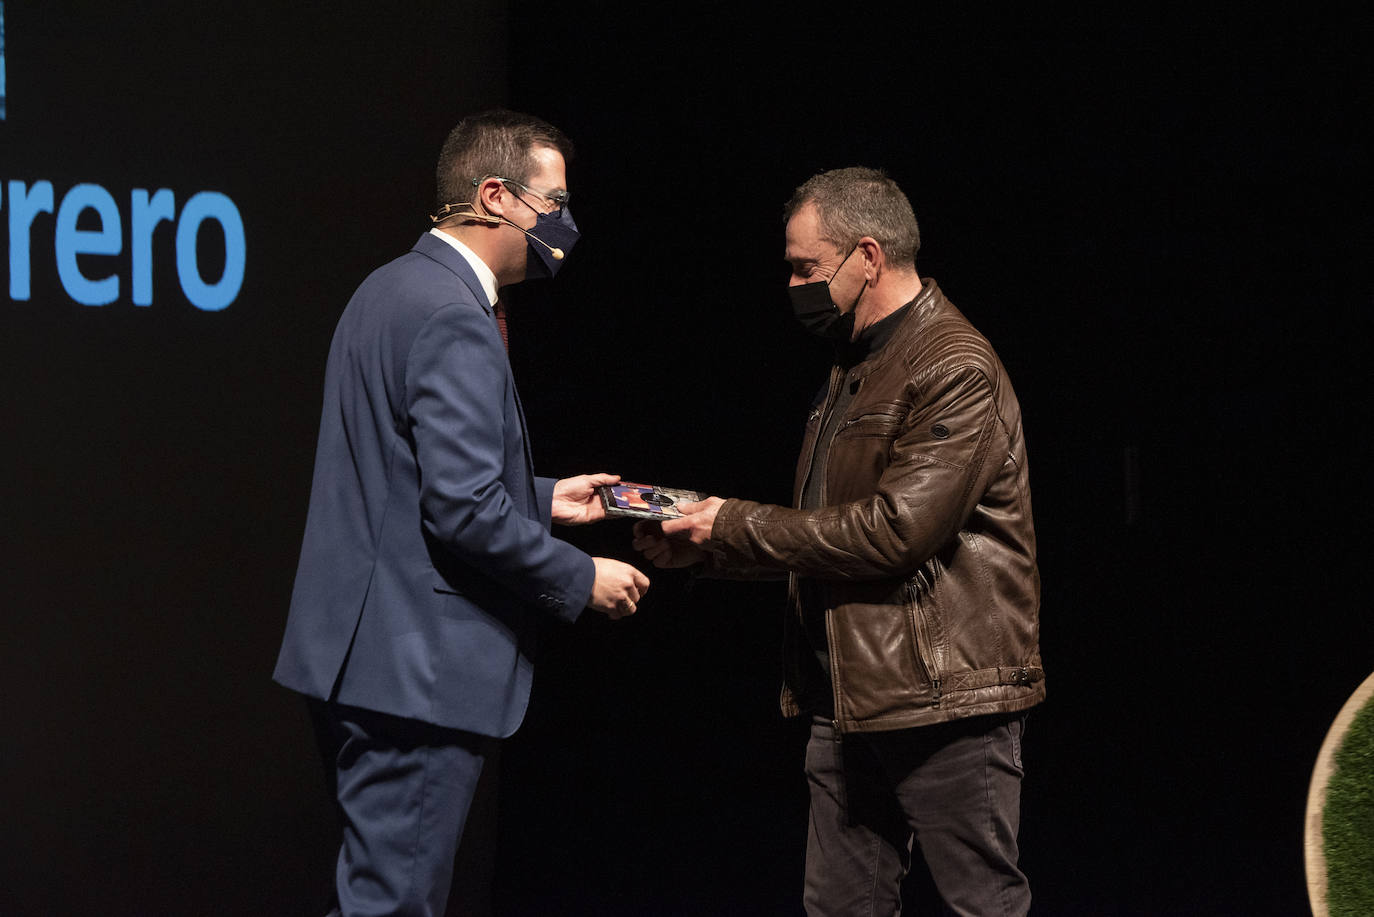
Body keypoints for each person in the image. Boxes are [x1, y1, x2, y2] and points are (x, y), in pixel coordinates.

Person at [634, 167, 1043, 916]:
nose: (792, 285)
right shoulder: (854, 367)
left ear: (868, 255)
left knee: (982, 905)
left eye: (804, 268)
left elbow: (894, 532)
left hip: (943, 702)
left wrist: (730, 521)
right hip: (848, 698)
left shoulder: (955, 364)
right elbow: (828, 534)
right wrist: (712, 547)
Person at [274, 110, 649, 917]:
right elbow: (463, 512)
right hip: (415, 672)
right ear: (494, 196)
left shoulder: (387, 287)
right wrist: (581, 577)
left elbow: (406, 476)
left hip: (361, 656)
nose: (564, 223)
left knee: (376, 898)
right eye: (552, 202)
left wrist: (547, 497)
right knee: (395, 906)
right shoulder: (452, 313)